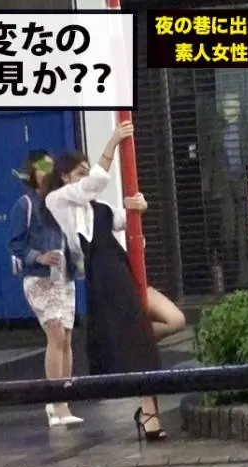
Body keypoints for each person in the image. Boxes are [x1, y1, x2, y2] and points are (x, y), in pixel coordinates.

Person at [43, 121, 186, 443]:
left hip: (124, 270)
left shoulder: (102, 208)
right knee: (140, 344)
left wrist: (140, 207)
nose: (85, 177)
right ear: (65, 177)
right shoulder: (59, 201)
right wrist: (113, 142)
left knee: (174, 320)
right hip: (104, 279)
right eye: (79, 172)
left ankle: (129, 347)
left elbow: (126, 220)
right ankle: (148, 413)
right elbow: (94, 183)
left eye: (85, 171)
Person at [8, 149, 83, 428]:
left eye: (51, 167)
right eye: (41, 167)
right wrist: (38, 257)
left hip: (63, 276)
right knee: (55, 332)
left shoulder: (61, 202)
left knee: (67, 337)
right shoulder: (25, 205)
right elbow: (15, 245)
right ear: (31, 172)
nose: (47, 172)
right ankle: (57, 403)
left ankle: (62, 401)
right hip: (39, 278)